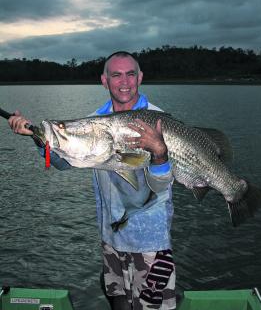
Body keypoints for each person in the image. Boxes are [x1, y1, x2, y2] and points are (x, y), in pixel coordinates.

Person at [8, 51, 176, 310]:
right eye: (116, 75)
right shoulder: (96, 120)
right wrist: (38, 137)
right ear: (104, 80)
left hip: (150, 242)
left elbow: (162, 186)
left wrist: (160, 152)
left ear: (140, 77)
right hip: (111, 236)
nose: (124, 81)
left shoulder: (158, 120)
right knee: (118, 302)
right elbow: (66, 161)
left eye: (130, 74)